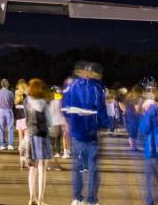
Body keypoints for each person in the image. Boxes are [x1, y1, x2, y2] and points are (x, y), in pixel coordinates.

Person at [62, 60, 111, 205]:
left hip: (77, 132)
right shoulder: (98, 88)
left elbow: (65, 108)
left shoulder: (71, 86)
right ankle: (92, 200)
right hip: (92, 133)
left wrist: (72, 121)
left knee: (77, 167)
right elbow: (101, 111)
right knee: (93, 169)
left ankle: (77, 198)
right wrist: (104, 125)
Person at [23, 78, 52, 205]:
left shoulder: (26, 101)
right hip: (42, 136)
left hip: (30, 136)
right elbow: (49, 122)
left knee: (32, 168)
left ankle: (31, 198)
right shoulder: (44, 103)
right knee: (42, 168)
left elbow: (26, 118)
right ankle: (40, 200)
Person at [0, 78, 16, 151]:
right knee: (10, 128)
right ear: (7, 84)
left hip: (1, 111)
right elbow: (13, 102)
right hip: (9, 110)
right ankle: (10, 144)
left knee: (2, 128)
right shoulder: (10, 93)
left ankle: (2, 145)